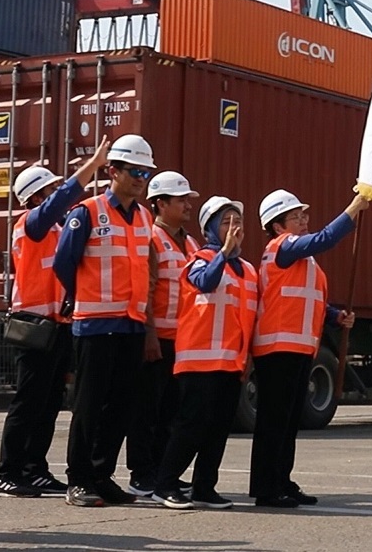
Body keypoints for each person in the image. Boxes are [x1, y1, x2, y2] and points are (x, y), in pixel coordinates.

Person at [0, 137, 112, 499]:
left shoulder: (57, 229)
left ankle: (34, 468)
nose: (59, 193)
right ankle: (7, 472)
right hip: (34, 324)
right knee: (28, 401)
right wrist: (88, 169)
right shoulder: (31, 223)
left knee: (48, 402)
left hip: (58, 324)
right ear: (34, 197)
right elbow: (59, 204)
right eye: (51, 189)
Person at [52, 134, 160, 507]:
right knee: (89, 404)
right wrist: (84, 294)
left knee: (121, 405)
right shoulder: (87, 212)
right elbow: (65, 263)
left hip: (130, 323)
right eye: (134, 171)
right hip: (95, 324)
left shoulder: (145, 217)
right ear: (112, 171)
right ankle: (79, 479)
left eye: (145, 173)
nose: (140, 179)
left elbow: (144, 268)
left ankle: (102, 474)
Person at [247, 188, 367, 508]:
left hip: (297, 348)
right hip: (277, 347)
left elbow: (311, 299)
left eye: (304, 216)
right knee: (275, 421)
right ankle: (266, 487)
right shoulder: (283, 247)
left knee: (287, 422)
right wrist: (353, 208)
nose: (303, 221)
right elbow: (325, 238)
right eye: (295, 217)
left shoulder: (302, 259)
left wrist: (335, 316)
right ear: (276, 225)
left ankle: (281, 481)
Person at [151, 196, 256, 511]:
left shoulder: (248, 270)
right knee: (191, 425)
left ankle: (204, 487)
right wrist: (223, 252)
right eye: (226, 222)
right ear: (210, 228)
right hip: (199, 361)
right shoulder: (199, 259)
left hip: (230, 362)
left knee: (219, 427)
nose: (234, 228)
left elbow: (250, 316)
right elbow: (205, 283)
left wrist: (247, 357)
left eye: (238, 222)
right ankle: (165, 484)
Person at [125, 171, 198, 498]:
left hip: (184, 342)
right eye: (181, 200)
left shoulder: (191, 241)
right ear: (160, 203)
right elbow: (147, 289)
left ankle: (162, 470)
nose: (187, 206)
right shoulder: (151, 239)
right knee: (147, 410)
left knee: (171, 410)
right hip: (159, 340)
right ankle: (142, 473)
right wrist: (150, 335)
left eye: (188, 200)